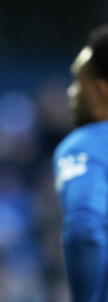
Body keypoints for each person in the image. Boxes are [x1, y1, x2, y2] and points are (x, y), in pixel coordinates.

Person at [53, 25, 108, 302]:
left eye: (77, 80)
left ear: (101, 90)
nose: (71, 92)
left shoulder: (85, 145)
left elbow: (83, 229)